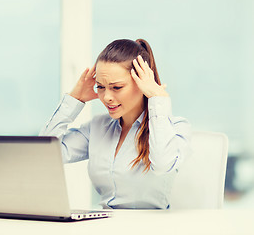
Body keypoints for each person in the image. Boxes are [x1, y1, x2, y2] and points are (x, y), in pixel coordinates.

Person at [40, 38, 191, 209]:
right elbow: (46, 154)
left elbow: (162, 164)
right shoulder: (97, 127)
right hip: (104, 225)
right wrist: (74, 99)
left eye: (117, 87)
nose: (107, 97)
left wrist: (158, 99)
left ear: (142, 83)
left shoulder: (176, 128)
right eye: (100, 87)